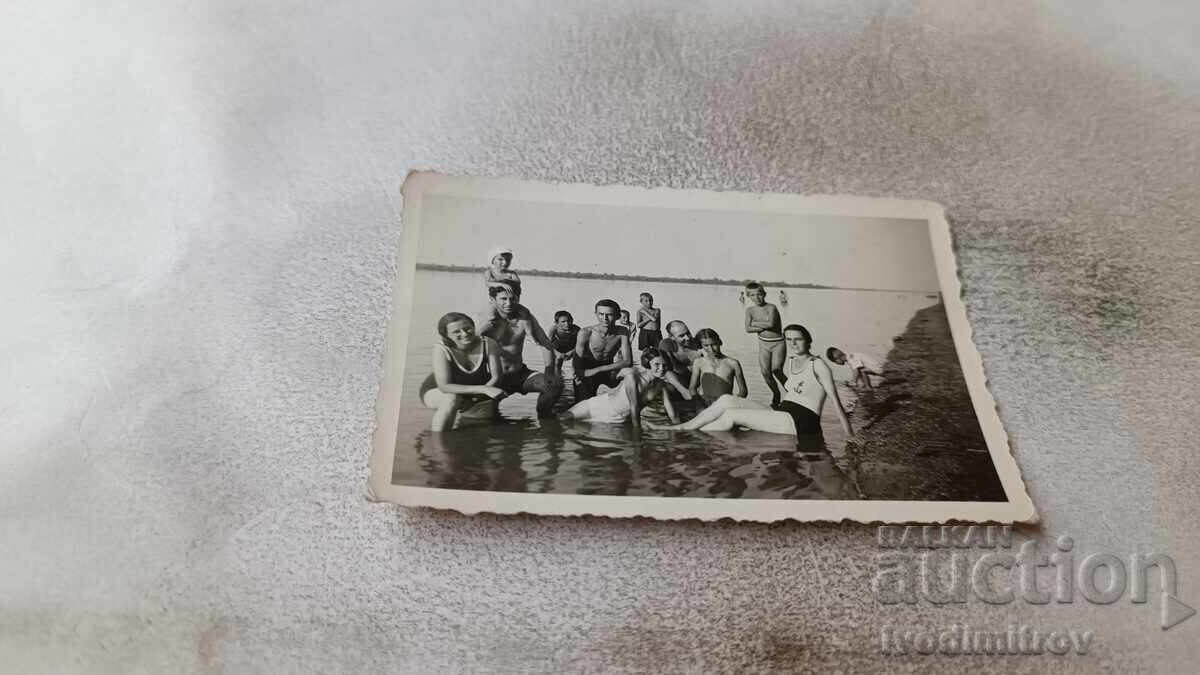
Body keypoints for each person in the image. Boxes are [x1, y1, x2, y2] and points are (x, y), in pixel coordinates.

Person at [649, 324, 854, 443]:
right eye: (789, 340)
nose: (793, 344)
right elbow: (792, 394)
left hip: (803, 422)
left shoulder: (818, 365)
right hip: (783, 412)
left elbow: (836, 403)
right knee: (728, 399)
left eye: (798, 340)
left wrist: (850, 437)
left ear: (808, 341)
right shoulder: (791, 363)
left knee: (732, 415)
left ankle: (685, 432)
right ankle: (687, 430)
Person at [476, 285, 562, 417]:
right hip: (491, 377)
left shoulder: (525, 318)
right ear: (492, 300)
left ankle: (544, 421)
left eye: (513, 298)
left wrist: (549, 371)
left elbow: (545, 343)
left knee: (553, 385)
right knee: (483, 420)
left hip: (519, 375)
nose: (509, 303)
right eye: (503, 299)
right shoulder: (483, 318)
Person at [419, 312, 506, 431]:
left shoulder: (488, 343)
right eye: (456, 332)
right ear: (446, 335)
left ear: (473, 327)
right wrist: (484, 389)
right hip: (438, 390)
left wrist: (476, 398)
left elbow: (496, 377)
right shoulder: (441, 349)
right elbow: (444, 387)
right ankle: (438, 445)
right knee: (452, 399)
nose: (464, 334)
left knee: (479, 427)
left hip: (476, 391)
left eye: (467, 328)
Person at [561, 347, 680, 428]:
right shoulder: (633, 377)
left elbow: (673, 414)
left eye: (664, 365)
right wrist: (637, 436)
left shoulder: (660, 386)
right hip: (599, 407)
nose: (661, 368)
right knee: (561, 420)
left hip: (618, 420)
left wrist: (679, 431)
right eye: (657, 364)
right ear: (647, 364)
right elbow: (634, 407)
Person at [574, 299, 633, 400]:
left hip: (607, 368)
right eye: (601, 314)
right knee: (583, 404)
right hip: (587, 369)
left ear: (617, 316)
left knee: (629, 378)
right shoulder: (586, 332)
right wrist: (578, 375)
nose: (605, 318)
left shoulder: (622, 332)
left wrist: (598, 370)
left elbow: (628, 361)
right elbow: (577, 360)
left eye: (609, 315)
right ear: (596, 314)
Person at [744, 281, 786, 407]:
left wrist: (755, 323)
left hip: (778, 343)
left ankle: (792, 392)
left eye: (759, 294)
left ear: (764, 294)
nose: (756, 298)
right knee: (765, 373)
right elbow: (747, 329)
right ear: (748, 296)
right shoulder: (749, 310)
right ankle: (776, 394)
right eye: (752, 295)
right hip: (763, 344)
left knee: (776, 370)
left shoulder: (771, 307)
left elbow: (771, 324)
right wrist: (760, 325)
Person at [688, 328, 748, 407]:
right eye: (706, 346)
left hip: (724, 404)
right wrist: (699, 404)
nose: (711, 349)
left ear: (720, 342)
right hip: (704, 403)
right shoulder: (699, 362)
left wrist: (731, 403)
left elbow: (743, 391)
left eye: (714, 344)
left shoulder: (733, 363)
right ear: (701, 346)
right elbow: (692, 388)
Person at [547, 310, 581, 382]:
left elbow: (581, 345)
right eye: (563, 322)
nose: (567, 324)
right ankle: (558, 380)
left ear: (572, 320)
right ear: (556, 323)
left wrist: (572, 352)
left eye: (569, 321)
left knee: (577, 364)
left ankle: (577, 380)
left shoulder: (576, 329)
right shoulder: (553, 329)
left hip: (572, 347)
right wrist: (557, 353)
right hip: (558, 347)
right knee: (557, 362)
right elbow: (548, 344)